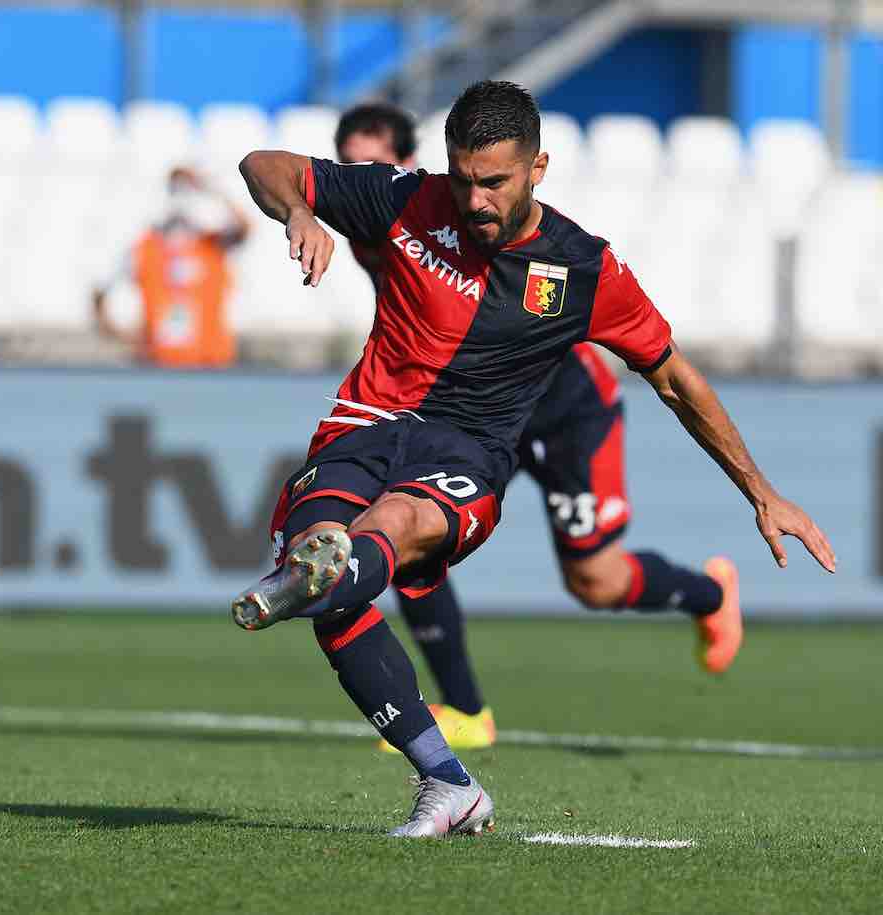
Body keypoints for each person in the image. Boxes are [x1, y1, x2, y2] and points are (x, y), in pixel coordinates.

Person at [231, 81, 835, 839]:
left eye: (494, 182)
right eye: (463, 180)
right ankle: (447, 779)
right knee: (323, 567)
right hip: (364, 427)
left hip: (475, 448)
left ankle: (326, 573)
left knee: (481, 549)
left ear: (538, 168)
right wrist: (299, 210)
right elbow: (263, 163)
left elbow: (676, 379)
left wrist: (761, 491)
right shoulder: (406, 200)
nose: (475, 200)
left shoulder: (583, 270)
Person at [331, 103, 753, 757]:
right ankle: (467, 709)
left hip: (564, 409)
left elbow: (660, 365)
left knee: (596, 581)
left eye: (377, 161)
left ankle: (708, 592)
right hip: (469, 421)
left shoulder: (463, 216)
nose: (366, 172)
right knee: (406, 534)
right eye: (352, 159)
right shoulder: (384, 221)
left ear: (410, 163)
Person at [94, 166, 249, 368]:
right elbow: (99, 295)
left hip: (210, 365)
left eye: (186, 191)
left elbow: (244, 227)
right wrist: (129, 339)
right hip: (158, 365)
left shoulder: (211, 245)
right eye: (175, 191)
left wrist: (209, 187)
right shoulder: (144, 247)